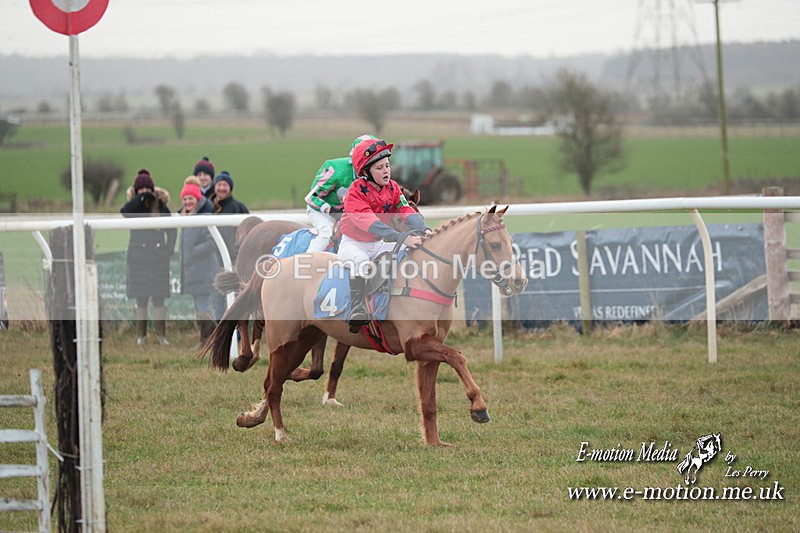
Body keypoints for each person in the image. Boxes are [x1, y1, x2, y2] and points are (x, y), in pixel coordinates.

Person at [338, 137, 429, 331]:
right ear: (366, 172)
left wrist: (424, 228)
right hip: (354, 244)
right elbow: (370, 223)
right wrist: (401, 237)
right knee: (361, 263)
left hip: (378, 244)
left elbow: (406, 210)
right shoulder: (355, 191)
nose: (386, 170)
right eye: (379, 168)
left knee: (410, 250)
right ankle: (357, 309)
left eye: (387, 165)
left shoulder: (394, 188)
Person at [120, 168, 176, 346]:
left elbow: (172, 228)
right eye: (140, 189)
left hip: (159, 259)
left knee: (159, 298)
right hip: (138, 260)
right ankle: (141, 337)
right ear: (136, 191)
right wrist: (139, 198)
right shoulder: (133, 206)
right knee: (141, 298)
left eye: (147, 189)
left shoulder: (160, 206)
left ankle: (161, 336)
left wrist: (168, 250)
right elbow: (124, 212)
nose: (144, 192)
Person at [304, 134, 376, 253]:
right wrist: (330, 210)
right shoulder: (336, 170)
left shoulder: (376, 176)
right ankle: (308, 263)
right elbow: (312, 197)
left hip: (348, 215)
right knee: (327, 233)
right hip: (320, 210)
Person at [178, 176, 218, 346]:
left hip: (204, 269)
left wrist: (192, 252)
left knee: (203, 306)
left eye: (190, 198)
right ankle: (206, 339)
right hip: (193, 270)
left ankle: (207, 340)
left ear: (197, 199)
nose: (187, 202)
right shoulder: (184, 217)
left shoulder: (204, 216)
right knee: (199, 306)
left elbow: (211, 243)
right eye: (185, 199)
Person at [210, 170, 249, 321]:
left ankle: (238, 335)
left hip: (235, 261)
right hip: (214, 260)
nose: (221, 188)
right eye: (219, 184)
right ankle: (220, 333)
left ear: (230, 188)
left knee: (235, 299)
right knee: (218, 300)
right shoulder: (210, 208)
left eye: (225, 185)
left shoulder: (239, 208)